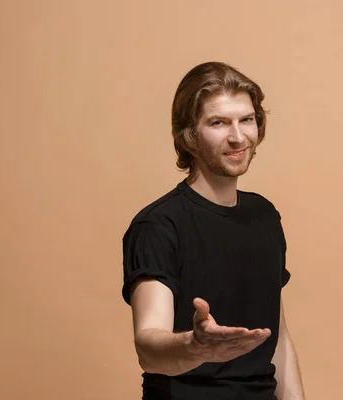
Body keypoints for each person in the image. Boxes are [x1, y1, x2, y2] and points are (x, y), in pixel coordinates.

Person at [121, 61, 306, 400]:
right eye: (219, 122)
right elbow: (148, 346)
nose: (237, 137)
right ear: (189, 134)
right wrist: (195, 347)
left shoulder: (263, 216)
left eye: (246, 120)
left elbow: (277, 340)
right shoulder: (158, 226)